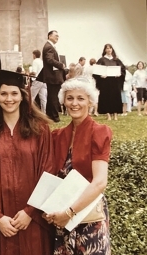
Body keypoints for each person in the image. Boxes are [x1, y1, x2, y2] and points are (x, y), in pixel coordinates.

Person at [0, 69, 55, 255]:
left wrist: (30, 212)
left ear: (23, 96)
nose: (9, 99)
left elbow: (48, 171)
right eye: (3, 93)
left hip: (32, 221)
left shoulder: (40, 130)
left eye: (14, 93)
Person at [44, 77, 112, 254]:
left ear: (90, 101)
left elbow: (99, 182)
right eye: (70, 98)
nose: (74, 103)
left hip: (88, 218)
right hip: (62, 218)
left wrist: (69, 212)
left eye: (80, 98)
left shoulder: (98, 133)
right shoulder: (57, 136)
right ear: (63, 101)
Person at [36, 30, 65, 122]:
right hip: (53, 76)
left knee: (52, 97)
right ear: (49, 36)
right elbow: (49, 60)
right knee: (54, 97)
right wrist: (61, 65)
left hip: (52, 76)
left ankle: (50, 116)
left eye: (58, 36)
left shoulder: (49, 46)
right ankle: (54, 117)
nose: (57, 37)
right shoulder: (49, 47)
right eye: (56, 35)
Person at [93, 43, 125, 121]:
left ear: (112, 49)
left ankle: (115, 114)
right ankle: (108, 115)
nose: (109, 49)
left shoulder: (116, 59)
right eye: (107, 48)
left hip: (115, 82)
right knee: (106, 98)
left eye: (110, 48)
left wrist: (120, 74)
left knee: (115, 98)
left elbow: (123, 69)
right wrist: (100, 75)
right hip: (105, 82)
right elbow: (95, 72)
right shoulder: (102, 59)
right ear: (105, 50)